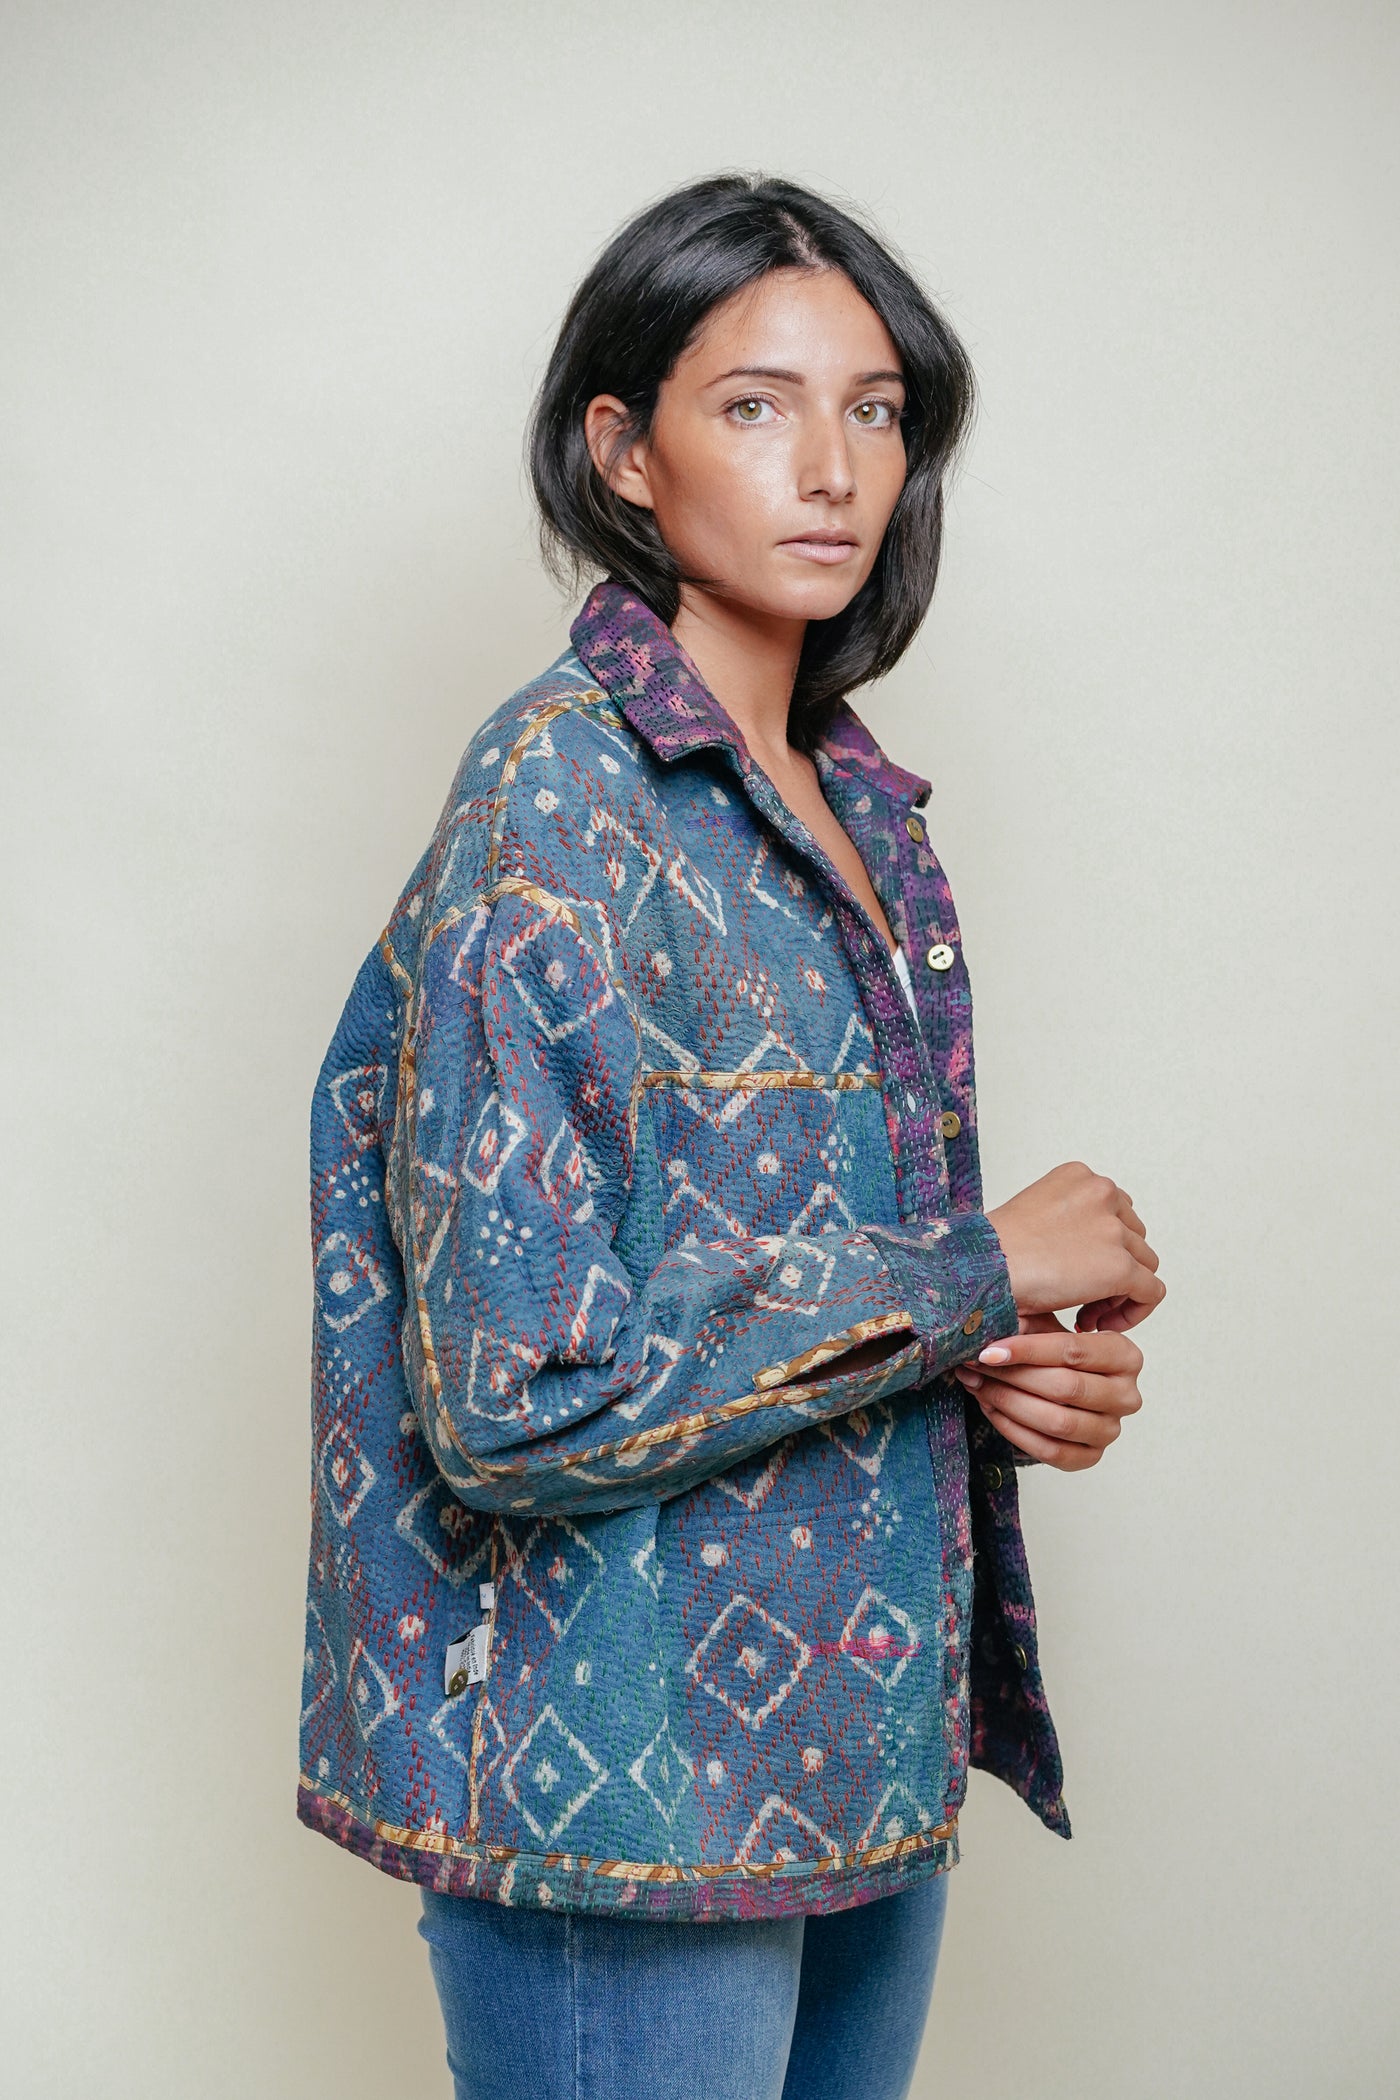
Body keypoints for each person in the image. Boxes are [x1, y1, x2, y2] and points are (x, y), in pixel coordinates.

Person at [298, 174, 1163, 2100]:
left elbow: (790, 1270)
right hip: (625, 1789)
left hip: (860, 1747)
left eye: (875, 409)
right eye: (756, 405)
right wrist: (973, 1267)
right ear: (625, 452)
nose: (833, 468)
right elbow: (516, 1398)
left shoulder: (855, 801)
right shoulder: (558, 806)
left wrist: (1009, 1362)